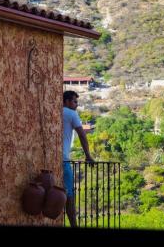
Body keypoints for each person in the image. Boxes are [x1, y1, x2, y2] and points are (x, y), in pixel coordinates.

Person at [63, 90, 94, 227]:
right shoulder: (71, 114)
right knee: (69, 195)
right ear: (67, 101)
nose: (76, 105)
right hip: (63, 160)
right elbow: (82, 135)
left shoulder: (54, 111)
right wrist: (88, 156)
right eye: (75, 101)